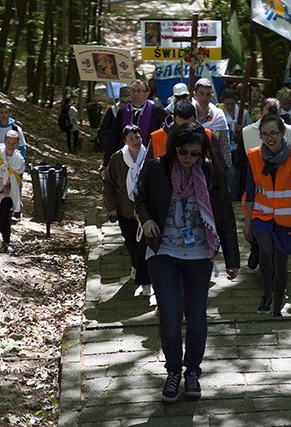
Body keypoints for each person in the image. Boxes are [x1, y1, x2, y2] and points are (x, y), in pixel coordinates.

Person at [135, 122, 240, 402]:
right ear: (173, 149)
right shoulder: (157, 168)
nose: (188, 158)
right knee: (169, 316)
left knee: (196, 318)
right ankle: (172, 372)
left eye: (195, 153)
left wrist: (232, 258)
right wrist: (146, 219)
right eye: (183, 152)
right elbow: (140, 198)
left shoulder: (209, 172)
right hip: (163, 250)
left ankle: (192, 371)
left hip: (199, 253)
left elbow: (225, 214)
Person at [242, 112, 291, 317]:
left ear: (282, 133)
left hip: (286, 217)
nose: (269, 138)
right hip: (261, 214)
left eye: (273, 133)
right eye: (265, 134)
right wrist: (248, 222)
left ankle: (277, 306)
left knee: (281, 262)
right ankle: (266, 294)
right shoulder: (253, 155)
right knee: (266, 250)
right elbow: (250, 190)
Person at [236, 98, 291, 269]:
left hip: (282, 192)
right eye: (267, 111)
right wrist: (255, 170)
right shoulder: (248, 132)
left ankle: (273, 269)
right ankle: (257, 250)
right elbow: (240, 159)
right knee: (257, 224)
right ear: (260, 112)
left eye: (274, 112)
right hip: (255, 188)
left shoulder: (289, 131)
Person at [103, 125, 152, 296]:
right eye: (130, 139)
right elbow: (108, 183)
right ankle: (136, 266)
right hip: (125, 208)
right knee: (131, 244)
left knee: (145, 245)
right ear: (125, 141)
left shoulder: (149, 155)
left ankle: (146, 283)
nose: (135, 141)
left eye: (137, 137)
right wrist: (111, 207)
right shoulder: (117, 158)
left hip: (146, 209)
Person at [101, 80, 167, 168]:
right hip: (126, 158)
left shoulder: (157, 111)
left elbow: (165, 134)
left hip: (149, 159)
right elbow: (114, 137)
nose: (136, 94)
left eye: (139, 91)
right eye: (133, 90)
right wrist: (106, 162)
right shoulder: (123, 112)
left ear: (147, 94)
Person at [145, 100, 227, 172]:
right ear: (173, 119)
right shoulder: (158, 137)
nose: (185, 132)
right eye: (181, 127)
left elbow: (221, 169)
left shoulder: (207, 136)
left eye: (194, 153)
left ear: (195, 119)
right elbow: (145, 171)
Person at [192, 78, 231, 168]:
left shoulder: (219, 116)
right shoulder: (189, 114)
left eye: (208, 94)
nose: (204, 98)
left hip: (213, 165)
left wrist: (225, 169)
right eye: (201, 94)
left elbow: (225, 145)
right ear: (195, 94)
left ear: (212, 95)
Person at [221, 89, 251, 200]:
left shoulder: (243, 113)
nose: (230, 107)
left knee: (242, 175)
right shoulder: (221, 114)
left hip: (240, 149)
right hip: (227, 149)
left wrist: (243, 129)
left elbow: (250, 129)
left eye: (232, 104)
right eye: (227, 104)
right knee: (232, 175)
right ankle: (232, 199)